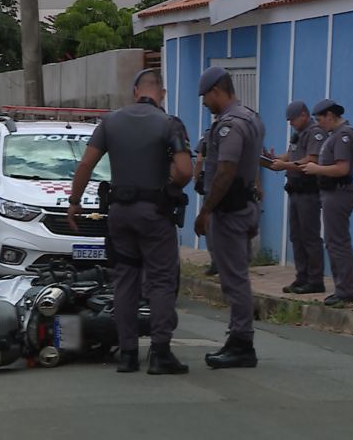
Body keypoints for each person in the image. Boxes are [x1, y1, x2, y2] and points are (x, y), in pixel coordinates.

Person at [67, 69, 193, 375]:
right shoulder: (169, 124)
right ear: (161, 94)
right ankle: (160, 353)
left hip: (119, 213)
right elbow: (185, 171)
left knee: (125, 278)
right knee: (162, 280)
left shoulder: (110, 122)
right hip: (153, 213)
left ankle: (127, 355)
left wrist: (75, 202)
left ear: (135, 90)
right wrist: (171, 187)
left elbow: (86, 163)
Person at [194, 66, 263, 370]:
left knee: (235, 281)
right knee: (237, 277)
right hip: (245, 206)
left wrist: (206, 210)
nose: (204, 103)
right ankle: (238, 338)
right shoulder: (251, 117)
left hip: (231, 212)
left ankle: (241, 343)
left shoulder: (230, 125)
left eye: (205, 97)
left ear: (216, 92)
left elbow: (225, 170)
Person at [302, 99, 353, 306]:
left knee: (338, 242)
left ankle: (347, 292)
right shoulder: (335, 135)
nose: (318, 125)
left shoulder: (344, 135)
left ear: (329, 115)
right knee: (333, 242)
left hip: (339, 192)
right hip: (331, 192)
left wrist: (316, 169)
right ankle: (341, 289)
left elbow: (342, 168)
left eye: (319, 120)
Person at [266, 100, 326, 294]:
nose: (290, 124)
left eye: (292, 120)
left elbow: (311, 160)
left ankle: (315, 280)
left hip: (308, 192)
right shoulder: (299, 133)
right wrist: (275, 159)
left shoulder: (315, 133)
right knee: (296, 237)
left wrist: (284, 166)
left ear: (303, 115)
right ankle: (302, 278)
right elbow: (293, 154)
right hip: (295, 192)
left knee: (310, 237)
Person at [194, 130, 219, 276]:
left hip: (211, 186)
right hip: (230, 186)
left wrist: (196, 179)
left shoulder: (208, 135)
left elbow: (199, 160)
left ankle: (216, 262)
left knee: (208, 224)